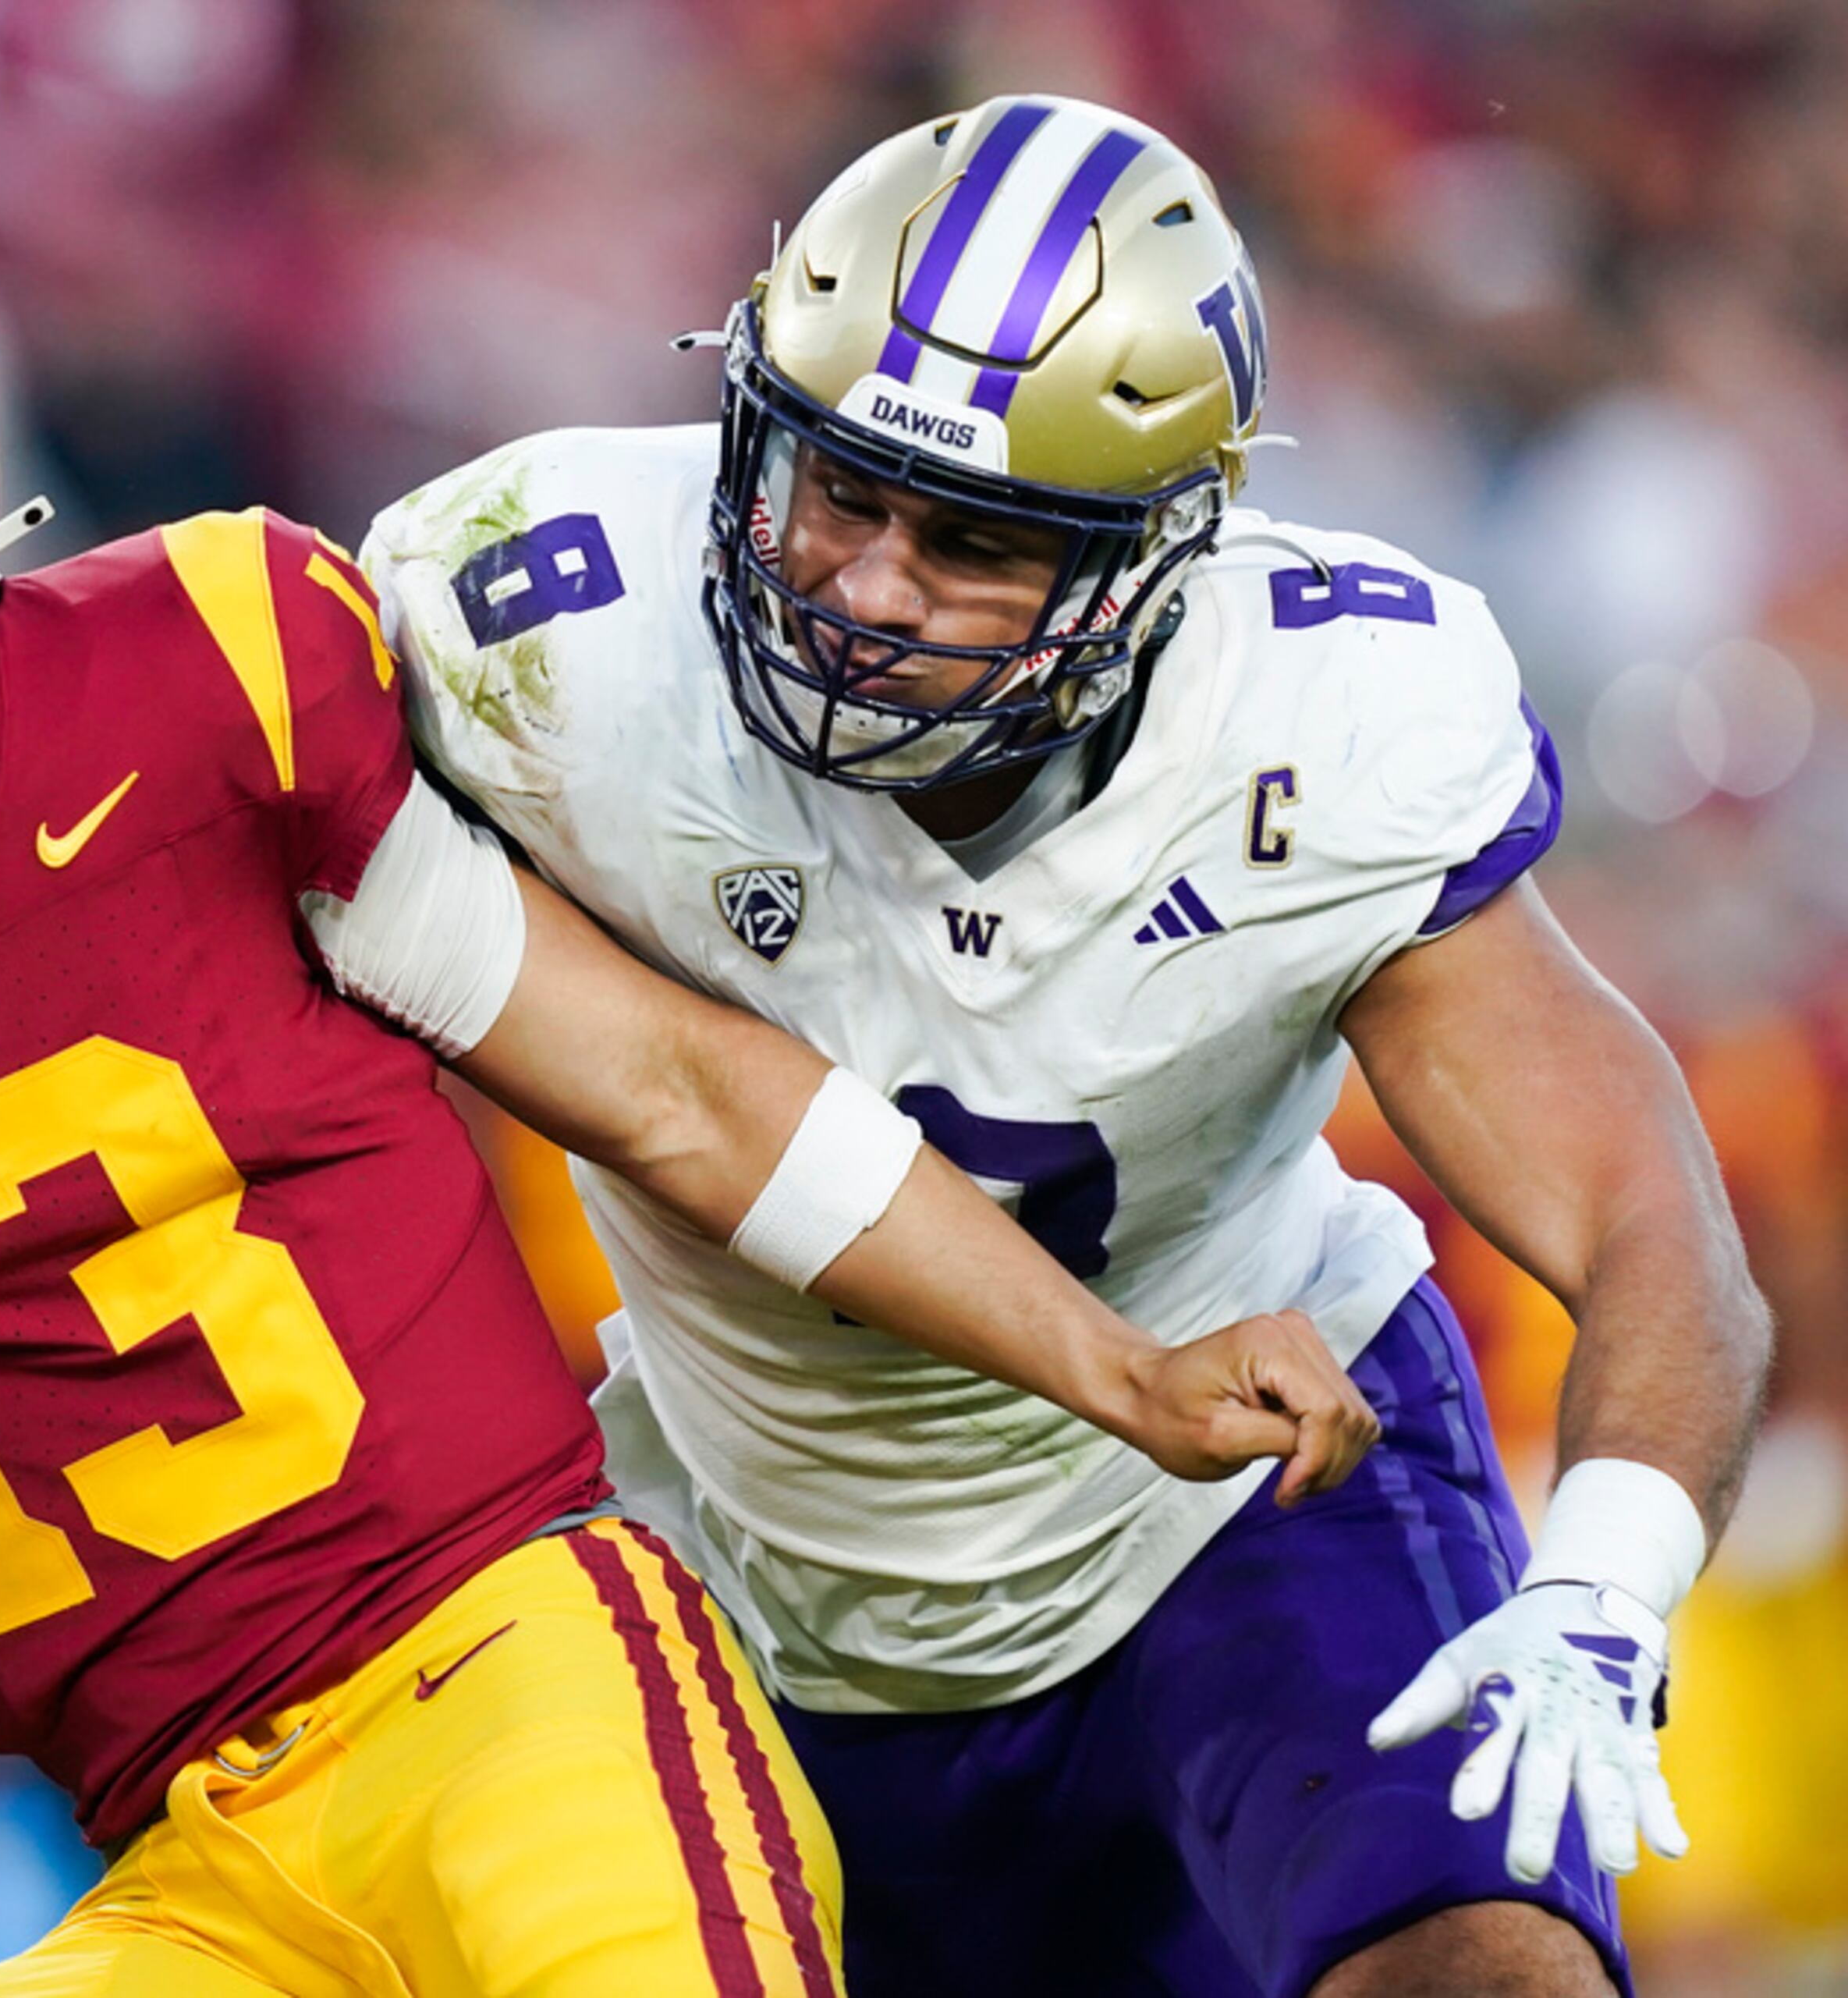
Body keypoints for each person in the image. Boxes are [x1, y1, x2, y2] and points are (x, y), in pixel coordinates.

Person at [0, 183, 1376, 1998]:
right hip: (175, 1862)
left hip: (516, 1675)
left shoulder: (197, 677)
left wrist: (1120, 1370)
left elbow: (672, 1087)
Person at [360, 94, 1775, 1998]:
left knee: (1483, 1979)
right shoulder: (533, 619)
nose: (864, 587)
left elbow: (1652, 1227)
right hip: (751, 1558)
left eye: (972, 540)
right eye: (838, 487)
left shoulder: (1321, 719)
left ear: (1152, 560)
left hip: (1246, 1517)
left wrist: (1606, 1577)